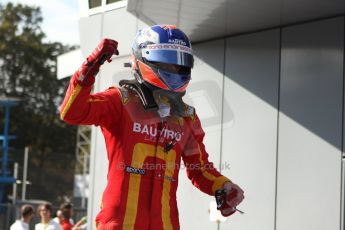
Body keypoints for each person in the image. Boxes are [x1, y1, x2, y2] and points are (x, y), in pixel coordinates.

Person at [60, 24, 244, 229]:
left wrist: (224, 187)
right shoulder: (120, 100)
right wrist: (89, 67)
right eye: (167, 62)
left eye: (180, 64)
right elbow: (71, 112)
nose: (175, 69)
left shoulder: (187, 116)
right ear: (143, 59)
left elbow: (199, 169)